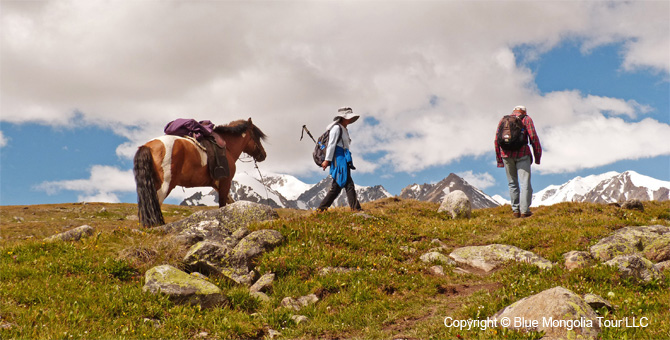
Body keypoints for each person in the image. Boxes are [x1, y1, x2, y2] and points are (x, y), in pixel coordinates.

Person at [495, 105, 542, 218]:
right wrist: (537, 156)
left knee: (512, 183)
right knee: (524, 182)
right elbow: (533, 137)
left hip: (506, 155)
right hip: (522, 154)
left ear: (513, 111)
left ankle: (515, 210)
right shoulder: (526, 119)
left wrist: (499, 160)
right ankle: (525, 210)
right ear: (524, 111)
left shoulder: (504, 120)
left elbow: (497, 140)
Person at [317, 107, 363, 212]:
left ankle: (321, 210)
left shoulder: (343, 129)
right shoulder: (336, 128)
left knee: (340, 185)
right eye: (349, 117)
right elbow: (331, 145)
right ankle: (356, 209)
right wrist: (327, 160)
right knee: (345, 184)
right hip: (339, 158)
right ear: (343, 118)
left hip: (343, 158)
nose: (350, 119)